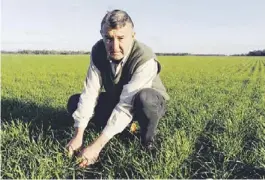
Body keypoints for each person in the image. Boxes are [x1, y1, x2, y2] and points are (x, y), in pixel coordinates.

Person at [66, 9, 170, 168]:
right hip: (118, 99)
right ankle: (121, 128)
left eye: (121, 38)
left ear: (133, 36)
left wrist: (96, 147)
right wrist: (78, 135)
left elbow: (126, 105)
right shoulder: (98, 51)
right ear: (101, 35)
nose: (114, 46)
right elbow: (90, 92)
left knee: (144, 99)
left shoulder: (145, 58)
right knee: (75, 102)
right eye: (108, 38)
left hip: (148, 103)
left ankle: (147, 141)